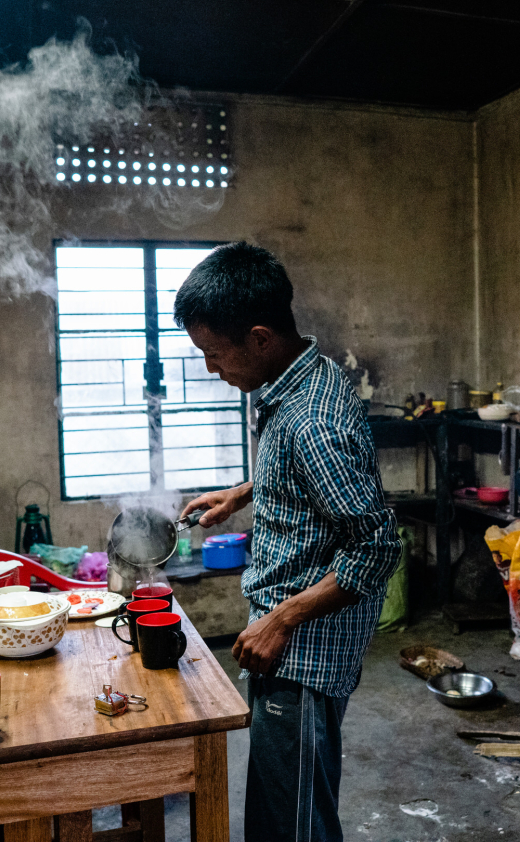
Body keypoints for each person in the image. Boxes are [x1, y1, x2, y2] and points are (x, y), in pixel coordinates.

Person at [175, 242, 400, 842]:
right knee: (284, 806)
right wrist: (244, 492)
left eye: (214, 354)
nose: (211, 369)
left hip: (304, 651)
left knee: (293, 824)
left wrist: (280, 620)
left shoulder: (312, 420)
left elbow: (376, 548)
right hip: (288, 638)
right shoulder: (305, 379)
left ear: (259, 338)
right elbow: (311, 473)